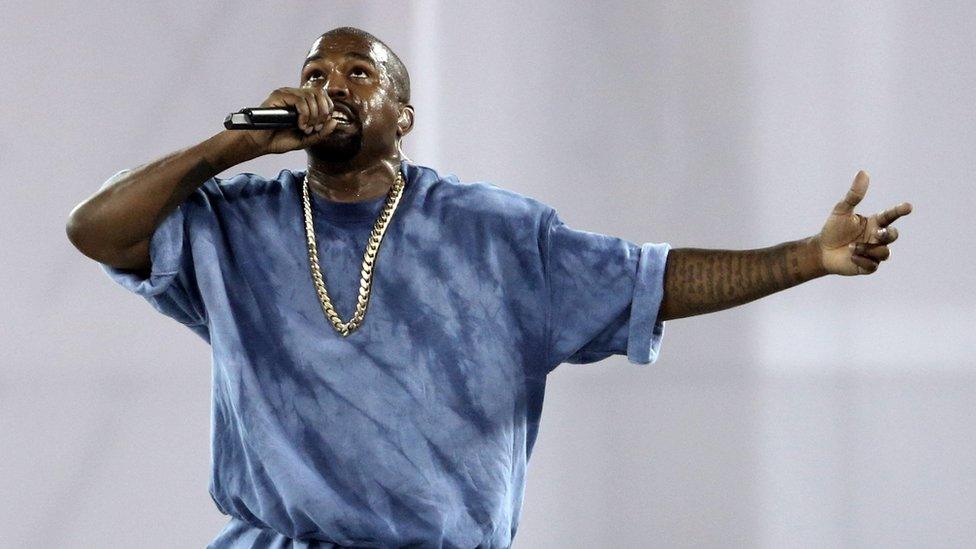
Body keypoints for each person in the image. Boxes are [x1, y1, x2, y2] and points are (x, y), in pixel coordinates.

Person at [65, 26, 912, 549]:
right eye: (317, 72)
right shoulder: (234, 223)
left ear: (402, 116)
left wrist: (807, 255)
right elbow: (95, 229)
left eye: (359, 74)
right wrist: (233, 146)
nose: (330, 85)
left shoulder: (495, 233)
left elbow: (652, 276)